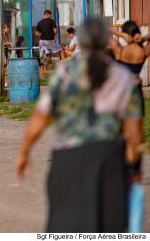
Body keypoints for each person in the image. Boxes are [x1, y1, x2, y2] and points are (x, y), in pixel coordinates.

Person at [16, 17, 144, 232]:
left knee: (65, 226)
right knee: (110, 228)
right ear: (106, 41)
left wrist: (24, 152)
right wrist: (132, 167)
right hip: (109, 161)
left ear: (80, 42)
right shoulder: (123, 78)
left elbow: (40, 118)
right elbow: (135, 135)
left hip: (68, 160)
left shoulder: (64, 74)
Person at [109, 20, 150, 117]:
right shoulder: (143, 52)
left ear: (125, 34)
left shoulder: (119, 50)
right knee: (135, 130)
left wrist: (122, 35)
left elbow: (104, 31)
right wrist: (142, 39)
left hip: (120, 90)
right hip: (135, 90)